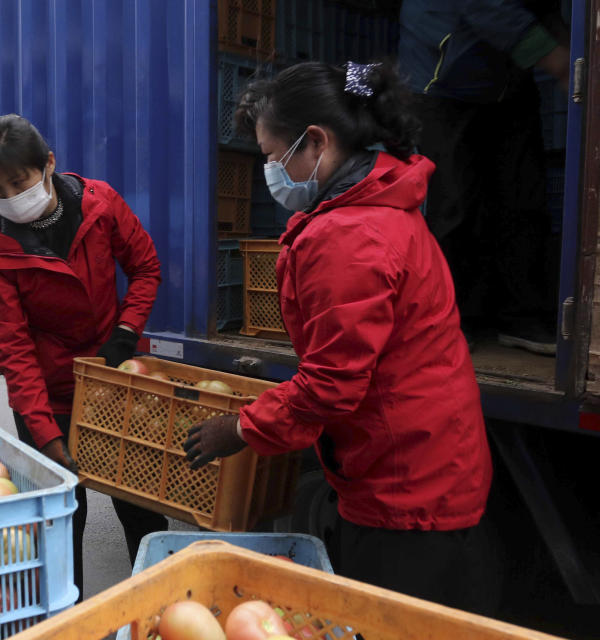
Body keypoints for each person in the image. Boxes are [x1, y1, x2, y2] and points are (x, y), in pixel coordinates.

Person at [185, 62, 497, 614]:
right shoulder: (382, 205)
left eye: (269, 154)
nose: (269, 170)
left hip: (405, 487)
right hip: (426, 457)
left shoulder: (349, 235)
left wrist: (239, 428)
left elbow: (332, 386)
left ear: (316, 143)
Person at [0, 114, 168, 595]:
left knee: (140, 506)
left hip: (113, 380)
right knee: (63, 520)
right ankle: (70, 617)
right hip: (48, 396)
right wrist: (48, 438)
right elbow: (14, 351)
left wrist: (124, 334)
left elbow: (145, 266)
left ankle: (159, 604)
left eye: (19, 181)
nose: (12, 197)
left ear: (48, 165)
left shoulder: (100, 205)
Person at [398, 0, 570, 354]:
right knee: (454, 204)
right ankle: (449, 320)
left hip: (510, 81)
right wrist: (561, 62)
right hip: (442, 76)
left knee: (523, 197)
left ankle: (521, 317)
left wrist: (572, 52)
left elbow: (548, 8)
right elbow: (484, 5)